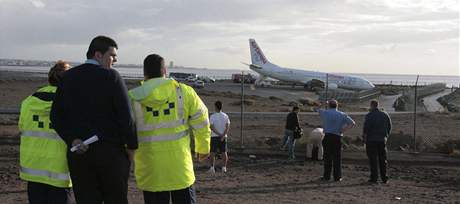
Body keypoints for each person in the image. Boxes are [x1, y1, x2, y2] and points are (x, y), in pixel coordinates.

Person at [50, 36, 137, 204]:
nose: (115, 60)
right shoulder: (112, 77)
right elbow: (126, 118)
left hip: (80, 155)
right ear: (98, 55)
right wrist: (131, 149)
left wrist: (72, 139)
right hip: (111, 155)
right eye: (112, 55)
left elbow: (56, 116)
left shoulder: (68, 77)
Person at [129, 54, 210, 204]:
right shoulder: (184, 92)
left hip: (150, 170)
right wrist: (203, 148)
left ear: (144, 73)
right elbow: (202, 120)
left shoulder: (133, 98)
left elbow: (124, 131)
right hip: (180, 168)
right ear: (165, 70)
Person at [19, 61, 72, 204]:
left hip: (33, 168)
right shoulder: (70, 102)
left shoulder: (28, 102)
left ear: (49, 78)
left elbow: (22, 127)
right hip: (59, 170)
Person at [315, 100, 355, 182]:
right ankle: (337, 177)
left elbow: (315, 109)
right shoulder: (342, 114)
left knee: (327, 157)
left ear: (329, 105)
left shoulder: (325, 113)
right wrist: (343, 130)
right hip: (337, 137)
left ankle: (327, 176)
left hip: (327, 136)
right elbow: (352, 123)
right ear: (337, 106)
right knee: (337, 158)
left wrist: (323, 103)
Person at [363, 100, 392, 184]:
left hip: (371, 140)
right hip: (381, 139)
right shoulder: (385, 114)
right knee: (383, 159)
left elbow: (366, 128)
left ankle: (374, 177)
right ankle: (384, 178)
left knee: (373, 159)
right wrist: (386, 136)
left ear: (372, 105)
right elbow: (389, 126)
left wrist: (364, 137)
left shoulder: (369, 115)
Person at [209, 100, 230, 173]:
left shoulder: (212, 116)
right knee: (224, 152)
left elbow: (211, 127)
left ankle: (212, 168)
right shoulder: (225, 116)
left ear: (215, 107)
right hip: (224, 137)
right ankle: (224, 168)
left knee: (212, 152)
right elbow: (227, 127)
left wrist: (219, 134)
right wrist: (223, 135)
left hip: (214, 136)